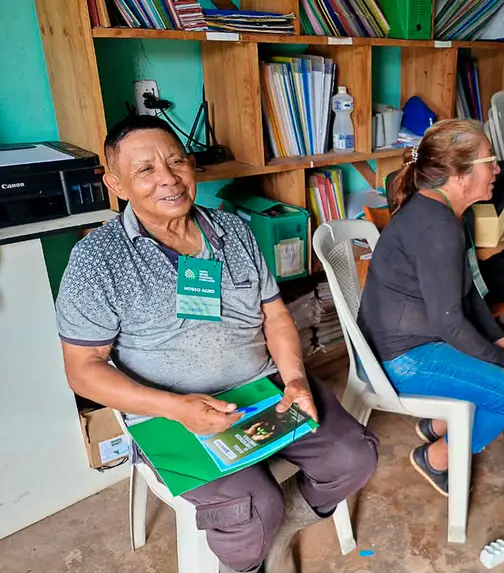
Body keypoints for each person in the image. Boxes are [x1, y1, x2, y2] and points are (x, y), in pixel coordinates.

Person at [55, 115, 378, 573]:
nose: (168, 178)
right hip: (169, 413)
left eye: (176, 161)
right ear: (117, 184)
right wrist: (176, 408)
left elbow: (275, 314)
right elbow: (83, 368)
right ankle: (248, 562)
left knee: (354, 456)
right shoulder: (97, 259)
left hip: (263, 387)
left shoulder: (233, 231)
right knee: (252, 508)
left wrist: (295, 379)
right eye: (145, 169)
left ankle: (281, 531)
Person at [357, 119, 504, 497]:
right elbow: (449, 322)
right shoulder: (436, 227)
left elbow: (466, 293)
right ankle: (435, 458)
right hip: (398, 359)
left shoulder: (446, 213)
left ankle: (438, 425)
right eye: (490, 160)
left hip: (417, 339)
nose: (498, 169)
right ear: (459, 176)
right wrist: (501, 359)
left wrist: (498, 340)